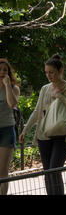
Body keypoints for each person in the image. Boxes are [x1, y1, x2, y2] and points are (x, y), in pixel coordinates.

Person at [20, 55, 66, 195]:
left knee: (54, 170)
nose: (48, 75)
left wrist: (60, 97)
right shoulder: (44, 89)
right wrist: (25, 130)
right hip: (45, 135)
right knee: (48, 172)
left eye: (51, 72)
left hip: (63, 135)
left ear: (60, 70)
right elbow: (37, 112)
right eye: (46, 72)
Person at [0, 59, 20, 195]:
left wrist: (7, 85)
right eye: (0, 69)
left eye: (5, 70)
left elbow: (12, 104)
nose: (2, 72)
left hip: (7, 130)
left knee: (2, 172)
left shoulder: (14, 88)